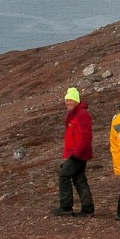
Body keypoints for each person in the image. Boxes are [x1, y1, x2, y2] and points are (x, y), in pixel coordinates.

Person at [51, 86, 95, 217]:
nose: (67, 103)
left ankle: (66, 207)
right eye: (66, 100)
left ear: (76, 101)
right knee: (79, 179)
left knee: (64, 175)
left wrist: (76, 154)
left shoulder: (81, 114)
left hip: (78, 154)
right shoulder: (73, 114)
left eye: (70, 100)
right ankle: (87, 209)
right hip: (76, 154)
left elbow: (86, 136)